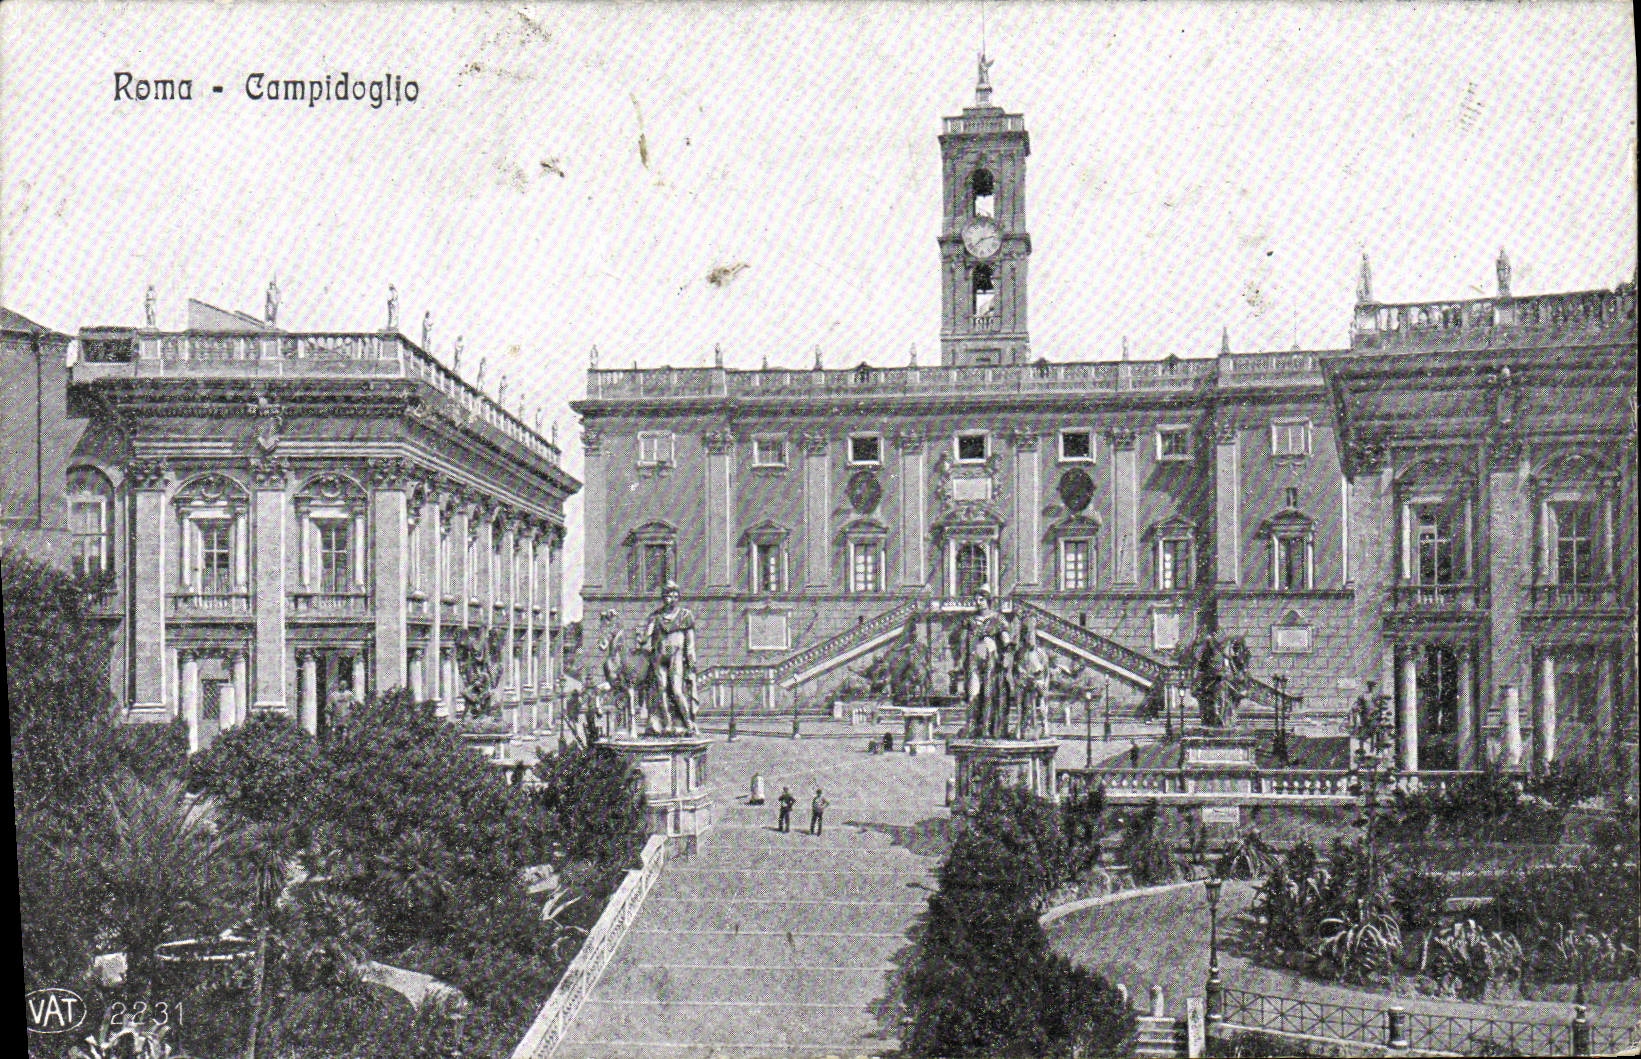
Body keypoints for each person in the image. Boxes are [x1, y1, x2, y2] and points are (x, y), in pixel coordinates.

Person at [642, 581, 699, 735]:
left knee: (676, 690)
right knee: (661, 690)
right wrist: (645, 638)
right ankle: (667, 723)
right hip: (659, 657)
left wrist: (691, 655)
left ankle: (689, 723)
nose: (672, 597)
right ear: (663, 597)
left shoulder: (684, 615)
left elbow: (690, 640)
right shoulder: (657, 616)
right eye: (668, 594)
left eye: (675, 594)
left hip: (677, 656)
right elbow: (646, 636)